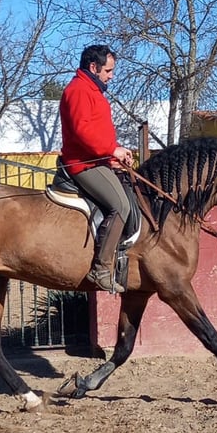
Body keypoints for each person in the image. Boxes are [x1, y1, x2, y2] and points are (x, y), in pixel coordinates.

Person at [59, 44, 133, 293]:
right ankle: (101, 269)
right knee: (120, 206)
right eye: (108, 71)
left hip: (96, 160)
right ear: (94, 67)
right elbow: (83, 132)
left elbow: (97, 134)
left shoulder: (92, 89)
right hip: (82, 165)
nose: (111, 75)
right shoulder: (79, 90)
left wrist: (113, 151)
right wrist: (112, 150)